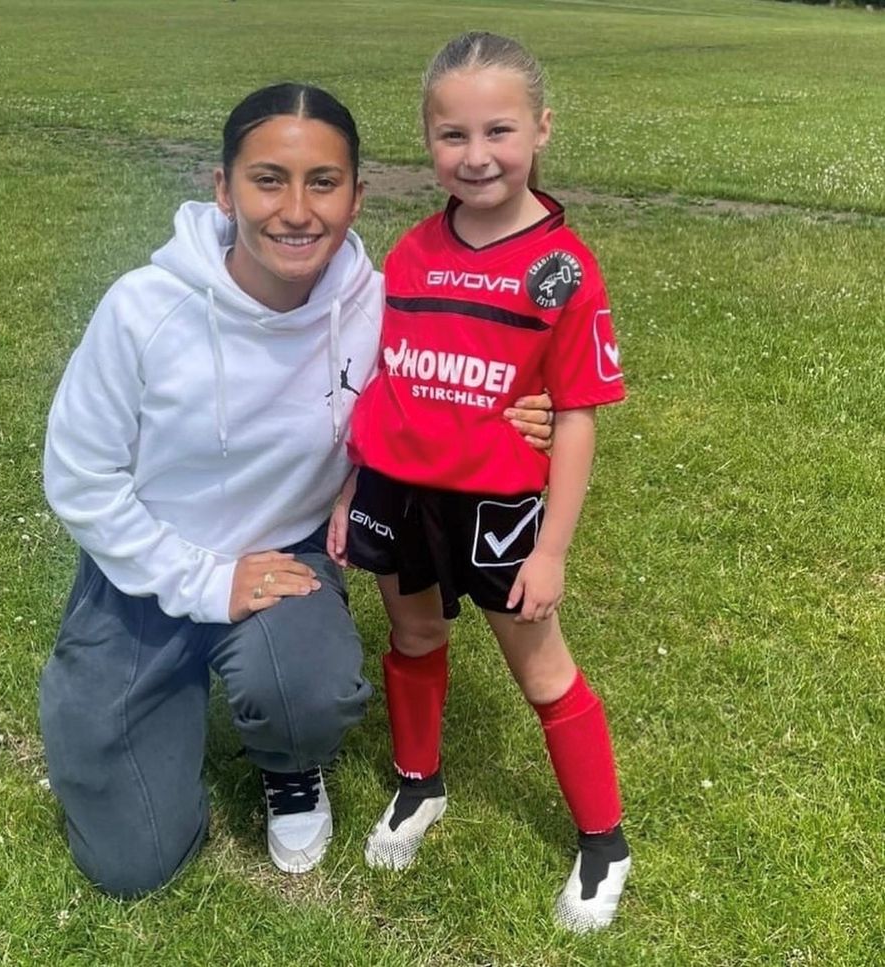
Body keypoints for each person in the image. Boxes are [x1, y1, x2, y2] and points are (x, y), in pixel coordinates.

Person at [39, 82, 554, 898]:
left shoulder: (378, 306)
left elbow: (444, 389)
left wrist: (525, 411)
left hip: (286, 555)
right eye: (267, 179)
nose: (296, 210)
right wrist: (207, 581)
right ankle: (112, 695)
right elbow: (79, 475)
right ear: (222, 188)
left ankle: (289, 764)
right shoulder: (144, 310)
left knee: (304, 689)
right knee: (134, 864)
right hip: (145, 564)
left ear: (356, 195)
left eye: (323, 182)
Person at [328, 33, 631, 932]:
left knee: (539, 665)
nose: (476, 154)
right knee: (413, 629)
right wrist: (352, 491)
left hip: (496, 505)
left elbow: (574, 414)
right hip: (395, 488)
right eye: (450, 134)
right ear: (427, 141)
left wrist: (552, 548)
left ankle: (604, 838)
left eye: (498, 130)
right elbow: (384, 378)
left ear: (541, 128)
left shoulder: (562, 268)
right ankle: (420, 783)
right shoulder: (414, 250)